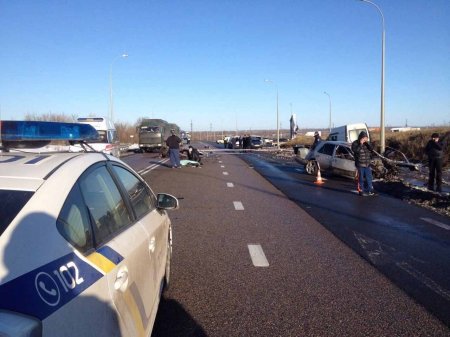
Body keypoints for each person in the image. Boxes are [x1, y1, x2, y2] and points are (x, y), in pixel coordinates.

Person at [351, 131, 376, 196]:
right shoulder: (355, 143)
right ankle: (361, 190)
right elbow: (355, 151)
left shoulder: (367, 143)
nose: (365, 139)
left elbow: (372, 149)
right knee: (361, 178)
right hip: (360, 164)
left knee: (369, 178)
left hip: (367, 164)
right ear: (361, 137)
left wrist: (368, 143)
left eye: (366, 138)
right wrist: (361, 144)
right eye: (364, 137)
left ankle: (371, 190)